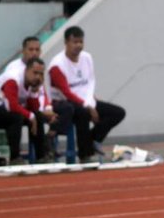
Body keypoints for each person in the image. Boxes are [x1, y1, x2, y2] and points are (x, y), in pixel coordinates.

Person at [48, 26, 126, 163]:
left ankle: (92, 140)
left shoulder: (87, 57)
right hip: (64, 102)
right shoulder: (57, 65)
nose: (78, 45)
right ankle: (85, 154)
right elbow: (66, 93)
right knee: (83, 113)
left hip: (86, 100)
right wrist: (88, 107)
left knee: (118, 112)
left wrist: (91, 101)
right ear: (66, 42)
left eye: (81, 42)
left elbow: (90, 82)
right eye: (75, 42)